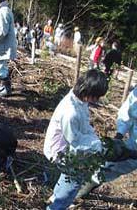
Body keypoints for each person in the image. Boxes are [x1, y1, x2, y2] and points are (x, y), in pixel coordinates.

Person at [44, 69, 108, 209]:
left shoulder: (78, 99)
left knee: (67, 176)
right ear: (87, 92)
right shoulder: (70, 112)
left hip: (67, 145)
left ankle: (56, 196)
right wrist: (97, 145)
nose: (97, 100)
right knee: (74, 180)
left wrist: (95, 138)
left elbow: (84, 126)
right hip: (59, 150)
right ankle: (57, 206)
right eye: (96, 96)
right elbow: (75, 141)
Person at [76, 87, 137, 198]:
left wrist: (133, 154)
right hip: (134, 143)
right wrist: (119, 136)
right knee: (110, 167)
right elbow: (126, 114)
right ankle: (83, 190)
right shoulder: (136, 94)